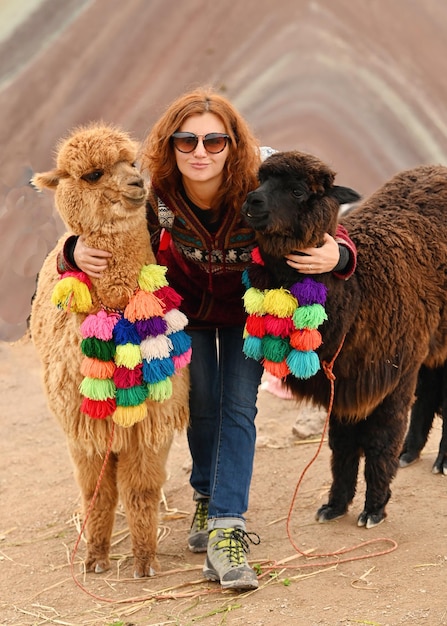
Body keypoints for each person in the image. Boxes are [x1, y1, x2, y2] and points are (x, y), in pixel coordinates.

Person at [57, 87, 357, 591]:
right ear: (170, 146)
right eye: (187, 141)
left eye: (215, 141)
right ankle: (203, 495)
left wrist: (340, 256)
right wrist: (71, 251)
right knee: (200, 406)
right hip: (184, 313)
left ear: (232, 143)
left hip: (245, 312)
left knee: (237, 406)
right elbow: (107, 231)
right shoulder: (156, 195)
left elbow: (320, 217)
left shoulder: (260, 186)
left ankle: (226, 527)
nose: (201, 152)